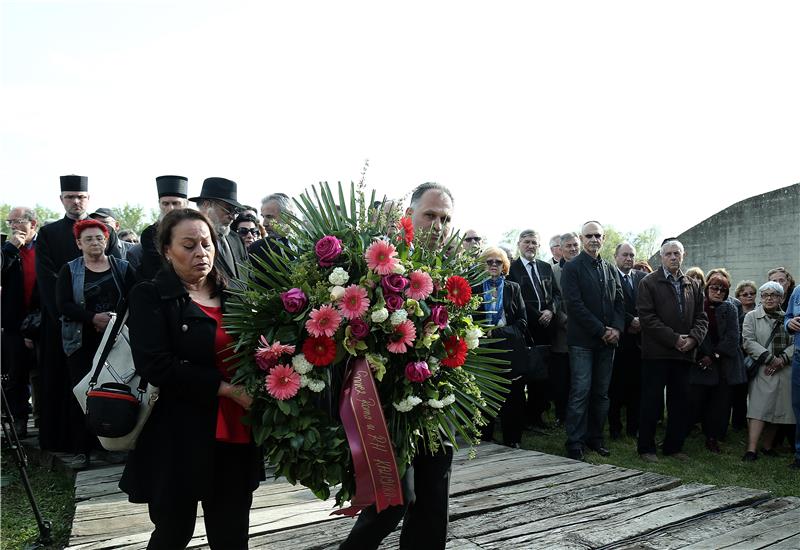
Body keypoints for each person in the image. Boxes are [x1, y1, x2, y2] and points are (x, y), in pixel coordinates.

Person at [119, 209, 264, 549]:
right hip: (178, 436)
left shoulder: (237, 295)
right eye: (188, 245)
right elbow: (156, 365)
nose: (201, 253)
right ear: (167, 251)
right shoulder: (150, 295)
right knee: (173, 533)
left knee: (231, 535)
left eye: (206, 243)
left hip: (235, 433)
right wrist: (225, 389)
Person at [340, 182, 455, 550]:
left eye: (446, 219)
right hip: (384, 404)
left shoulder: (456, 269)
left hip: (435, 403)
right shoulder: (379, 262)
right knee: (392, 503)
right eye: (430, 216)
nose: (438, 226)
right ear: (409, 216)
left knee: (434, 504)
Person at [36, 175, 123, 452]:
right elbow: (47, 281)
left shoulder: (103, 229)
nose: (76, 201)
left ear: (88, 198)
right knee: (73, 388)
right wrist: (73, 317)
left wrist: (111, 319)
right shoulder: (49, 234)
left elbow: (122, 273)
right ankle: (75, 445)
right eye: (70, 197)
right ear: (62, 199)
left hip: (111, 328)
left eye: (81, 197)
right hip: (67, 325)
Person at [56, 219, 137, 466]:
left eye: (99, 238)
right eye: (88, 239)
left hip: (116, 342)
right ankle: (82, 449)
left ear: (107, 240)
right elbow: (64, 304)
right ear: (79, 243)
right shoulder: (70, 270)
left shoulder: (122, 267)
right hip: (81, 343)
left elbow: (136, 298)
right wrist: (93, 318)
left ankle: (112, 445)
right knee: (82, 393)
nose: (95, 242)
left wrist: (116, 320)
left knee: (113, 391)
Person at [636, 239, 708, 462]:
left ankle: (673, 447)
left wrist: (693, 339)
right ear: (661, 257)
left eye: (677, 253)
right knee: (651, 401)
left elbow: (701, 318)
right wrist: (675, 338)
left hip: (684, 354)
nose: (673, 257)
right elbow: (647, 318)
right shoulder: (648, 282)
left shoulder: (693, 285)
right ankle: (646, 448)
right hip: (657, 353)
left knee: (680, 402)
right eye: (668, 254)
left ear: (683, 255)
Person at [560, 221, 624, 461]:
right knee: (580, 392)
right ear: (582, 238)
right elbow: (574, 306)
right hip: (582, 342)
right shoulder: (572, 267)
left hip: (608, 342)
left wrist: (617, 328)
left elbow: (619, 300)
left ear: (604, 238)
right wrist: (601, 330)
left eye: (598, 235)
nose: (594, 239)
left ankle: (595, 438)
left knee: (601, 393)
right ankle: (574, 442)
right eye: (589, 235)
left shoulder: (609, 267)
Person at [507, 229, 562, 430]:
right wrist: (536, 314)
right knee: (524, 374)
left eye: (534, 243)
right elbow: (516, 298)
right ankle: (521, 417)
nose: (531, 246)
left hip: (547, 329)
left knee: (542, 376)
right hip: (526, 328)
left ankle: (536, 416)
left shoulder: (546, 267)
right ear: (519, 244)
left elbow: (556, 294)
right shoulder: (512, 268)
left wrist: (550, 310)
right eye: (527, 242)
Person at [476, 247, 529, 448]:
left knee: (513, 395)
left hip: (509, 348)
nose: (493, 265)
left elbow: (522, 323)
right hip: (483, 349)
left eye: (498, 262)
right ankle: (484, 439)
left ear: (504, 265)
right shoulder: (475, 289)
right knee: (484, 394)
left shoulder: (513, 288)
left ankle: (512, 439)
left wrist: (498, 332)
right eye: (489, 262)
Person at [689, 270, 746, 454]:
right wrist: (700, 356)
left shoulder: (730, 309)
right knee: (695, 399)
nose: (718, 292)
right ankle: (688, 430)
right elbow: (693, 331)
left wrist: (713, 356)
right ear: (707, 289)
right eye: (714, 288)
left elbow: (733, 338)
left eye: (723, 289)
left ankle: (713, 437)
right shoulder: (697, 306)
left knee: (720, 404)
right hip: (699, 362)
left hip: (723, 363)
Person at [742, 281, 795, 461]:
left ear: (781, 298)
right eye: (765, 295)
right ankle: (751, 450)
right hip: (763, 368)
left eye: (774, 295)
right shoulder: (751, 317)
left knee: (778, 409)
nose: (769, 298)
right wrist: (770, 359)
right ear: (761, 297)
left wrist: (782, 359)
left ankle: (767, 446)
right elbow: (748, 341)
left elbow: (796, 343)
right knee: (758, 409)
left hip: (784, 370)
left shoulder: (789, 318)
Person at [1, 206, 40, 437]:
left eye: (18, 221)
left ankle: (44, 419)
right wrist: (10, 249)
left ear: (32, 224)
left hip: (41, 320)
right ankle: (19, 420)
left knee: (43, 372)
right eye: (10, 222)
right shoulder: (6, 249)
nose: (14, 226)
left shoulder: (44, 246)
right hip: (14, 321)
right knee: (16, 374)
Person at [608, 242, 646, 440]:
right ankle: (615, 428)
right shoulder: (608, 277)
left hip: (640, 343)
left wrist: (642, 321)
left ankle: (634, 428)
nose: (628, 259)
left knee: (636, 389)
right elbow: (610, 304)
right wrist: (630, 320)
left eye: (632, 255)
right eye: (625, 255)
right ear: (616, 257)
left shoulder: (642, 278)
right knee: (616, 389)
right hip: (618, 341)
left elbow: (649, 304)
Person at [191, 177, 247, 284]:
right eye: (228, 210)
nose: (233, 217)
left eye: (235, 211)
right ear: (207, 205)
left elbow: (249, 276)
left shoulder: (236, 239)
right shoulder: (191, 239)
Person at [550, 232, 580, 424]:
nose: (572, 249)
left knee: (579, 378)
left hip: (584, 332)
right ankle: (561, 414)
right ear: (560, 249)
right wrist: (564, 320)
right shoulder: (552, 271)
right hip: (561, 333)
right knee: (562, 378)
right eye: (568, 246)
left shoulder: (586, 268)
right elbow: (552, 298)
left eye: (575, 245)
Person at [138, 175, 189, 280]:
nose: (170, 208)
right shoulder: (149, 234)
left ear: (186, 204)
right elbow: (157, 266)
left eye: (176, 203)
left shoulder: (196, 230)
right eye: (165, 204)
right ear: (159, 204)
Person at [784, 285, 800, 469]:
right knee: (798, 407)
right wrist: (790, 323)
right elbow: (787, 317)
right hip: (798, 356)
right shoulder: (797, 291)